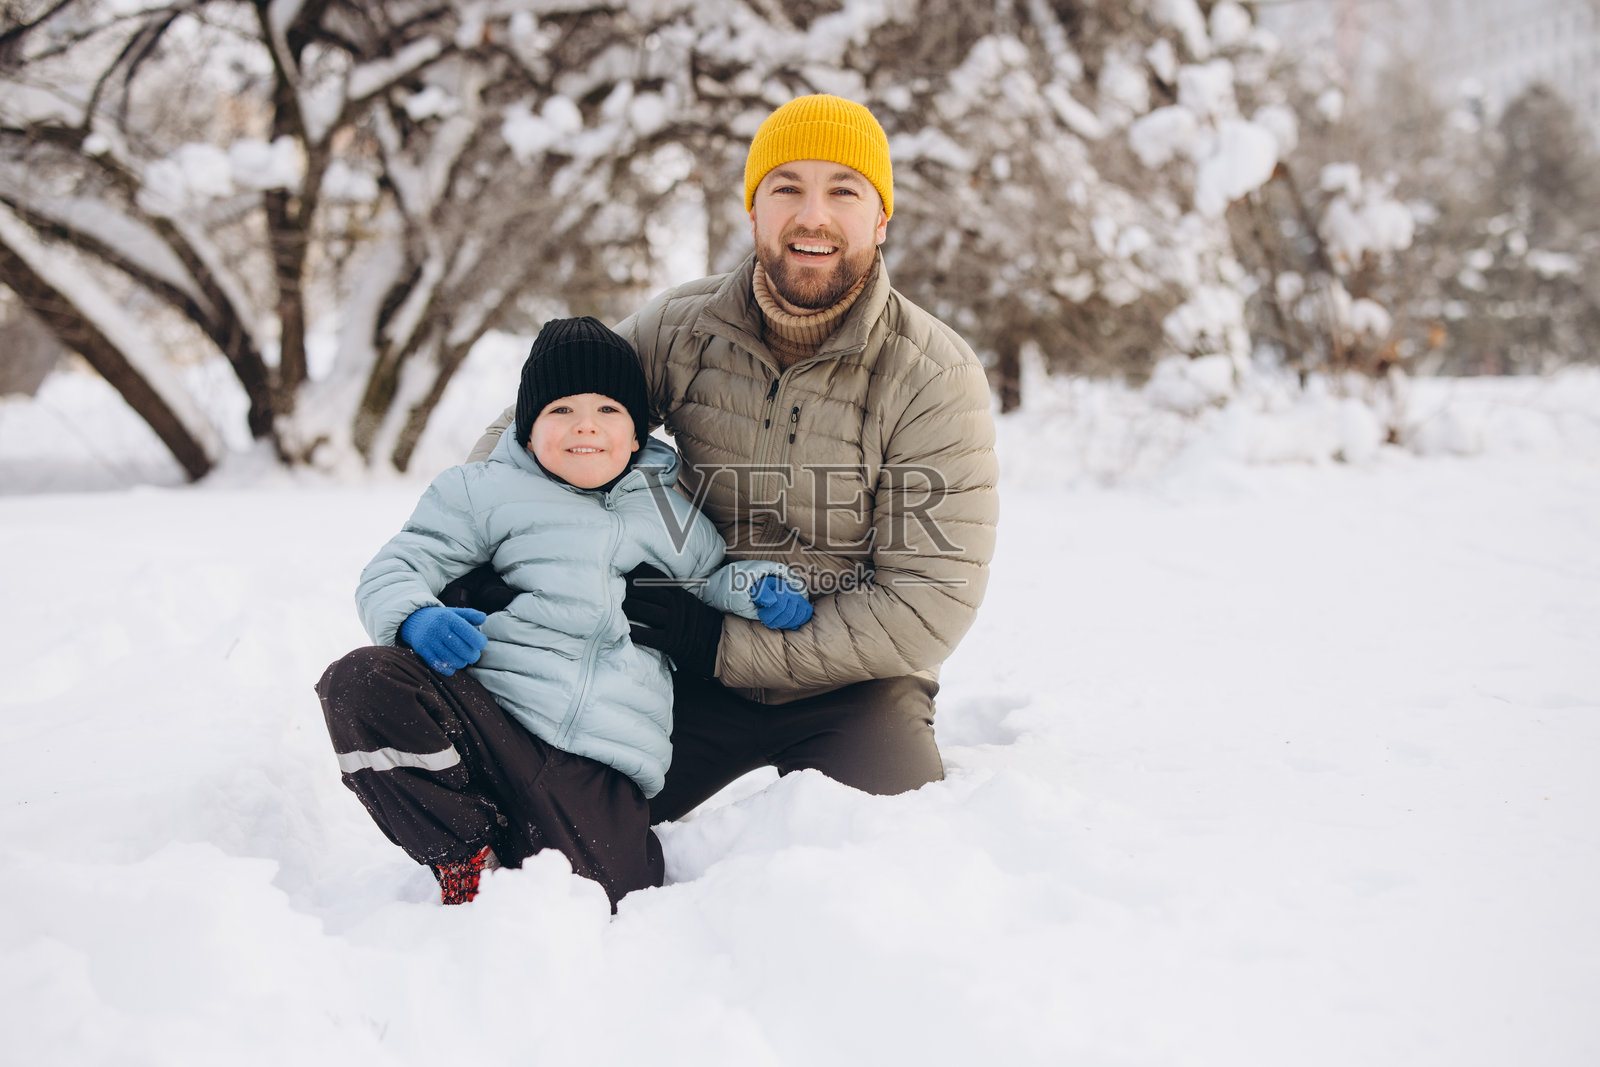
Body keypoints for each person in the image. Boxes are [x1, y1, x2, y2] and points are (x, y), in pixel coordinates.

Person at [459, 94, 1000, 827]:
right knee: (561, 831)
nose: (813, 216)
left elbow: (926, 604)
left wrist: (720, 643)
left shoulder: (932, 375)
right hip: (679, 665)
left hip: (854, 682)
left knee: (883, 850)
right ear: (753, 211)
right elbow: (537, 423)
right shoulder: (685, 329)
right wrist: (483, 546)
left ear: (881, 219)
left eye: (844, 191)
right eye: (787, 188)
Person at [317, 317, 812, 907]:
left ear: (636, 436)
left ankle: (528, 848)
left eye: (608, 409)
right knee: (360, 684)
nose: (585, 425)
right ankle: (464, 853)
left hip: (600, 761)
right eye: (561, 410)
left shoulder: (668, 510)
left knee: (606, 898)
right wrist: (416, 618)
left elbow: (711, 578)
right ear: (528, 432)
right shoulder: (481, 492)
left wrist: (761, 587)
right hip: (495, 719)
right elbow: (398, 566)